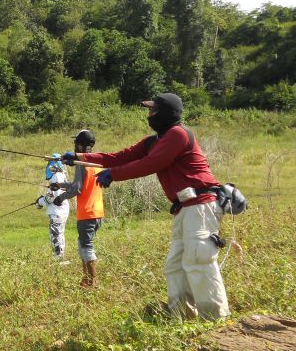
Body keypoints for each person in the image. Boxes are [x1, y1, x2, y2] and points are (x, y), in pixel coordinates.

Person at [62, 93, 230, 320]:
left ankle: (215, 319)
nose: (149, 115)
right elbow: (121, 156)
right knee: (175, 266)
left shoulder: (178, 135)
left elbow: (151, 163)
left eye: (153, 110)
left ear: (166, 112)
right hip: (184, 208)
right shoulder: (155, 140)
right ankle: (182, 316)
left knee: (198, 260)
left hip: (200, 206)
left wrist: (114, 175)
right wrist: (80, 156)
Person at [49, 129, 105, 288]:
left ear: (80, 145)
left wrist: (61, 197)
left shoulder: (81, 164)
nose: (74, 146)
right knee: (82, 245)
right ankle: (86, 280)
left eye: (76, 143)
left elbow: (77, 189)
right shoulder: (95, 161)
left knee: (86, 247)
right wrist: (60, 185)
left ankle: (92, 282)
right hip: (98, 212)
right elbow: (80, 185)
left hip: (87, 213)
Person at [35, 154, 70, 260]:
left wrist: (40, 201)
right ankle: (60, 257)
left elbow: (51, 197)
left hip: (57, 211)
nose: (49, 167)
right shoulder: (61, 175)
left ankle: (58, 258)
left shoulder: (56, 176)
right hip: (61, 209)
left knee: (55, 234)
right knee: (59, 233)